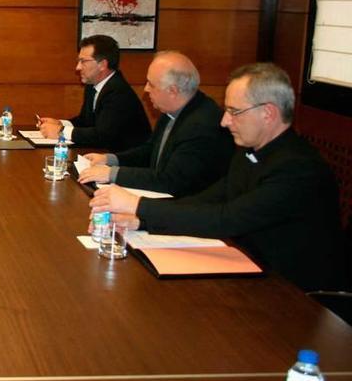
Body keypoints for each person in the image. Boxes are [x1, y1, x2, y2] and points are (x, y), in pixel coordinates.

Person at [90, 63, 348, 292]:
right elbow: (209, 199)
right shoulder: (250, 151)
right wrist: (141, 220)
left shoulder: (297, 168)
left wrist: (137, 205)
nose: (224, 121)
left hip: (294, 294)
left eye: (234, 112)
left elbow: (227, 219)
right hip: (249, 269)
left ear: (268, 113)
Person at [78, 51, 234, 197]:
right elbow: (150, 151)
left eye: (151, 84)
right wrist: (110, 160)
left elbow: (170, 180)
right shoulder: (173, 110)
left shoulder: (201, 125)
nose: (146, 89)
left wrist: (111, 173)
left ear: (173, 91)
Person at [38, 34, 151, 151]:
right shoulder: (92, 86)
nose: (78, 67)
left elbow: (102, 135)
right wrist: (60, 123)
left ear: (102, 65)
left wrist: (61, 132)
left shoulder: (119, 92)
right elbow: (85, 121)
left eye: (83, 61)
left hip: (125, 161)